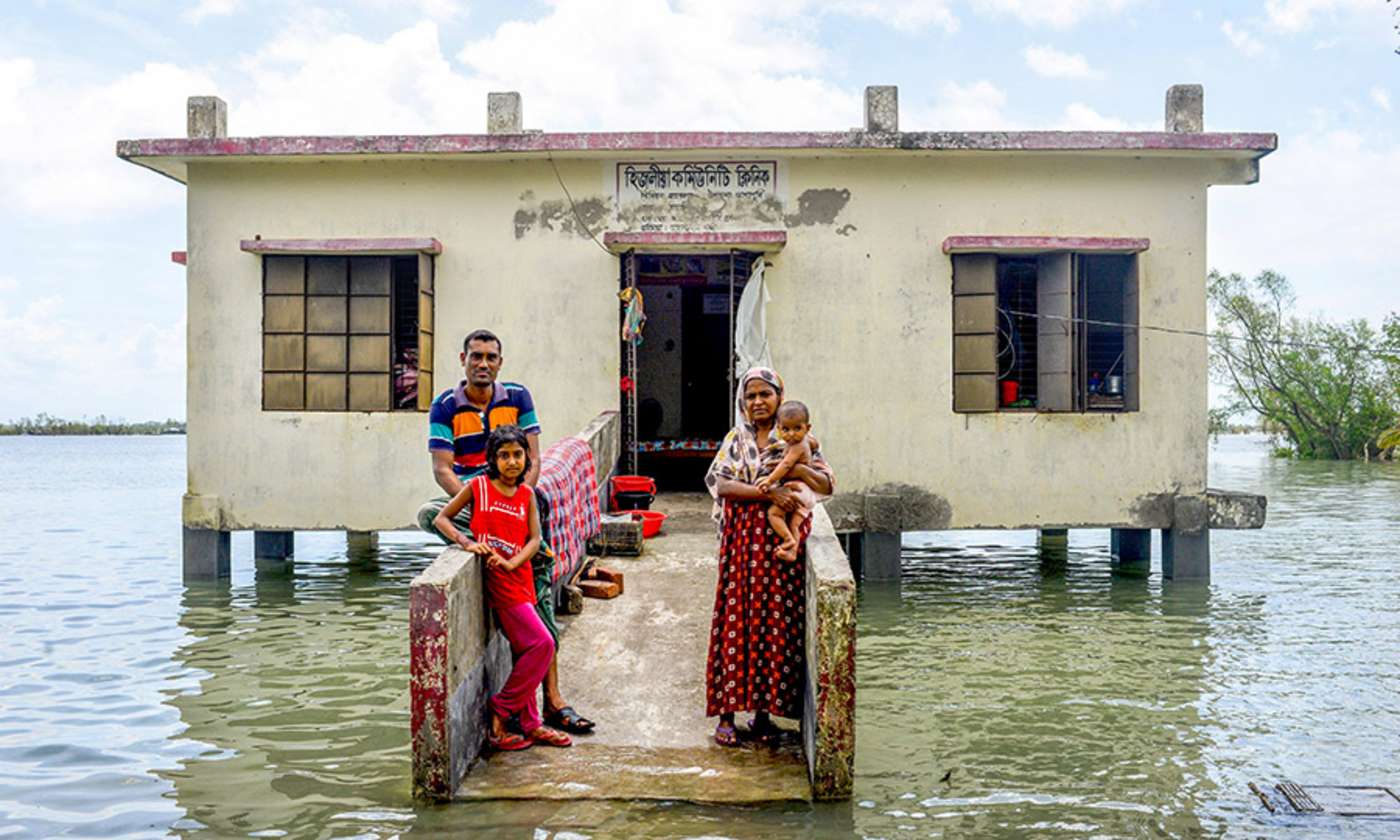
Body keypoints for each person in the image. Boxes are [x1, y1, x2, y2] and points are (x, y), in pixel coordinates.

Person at [415, 329, 595, 734]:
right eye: (476, 356)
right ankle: (527, 712)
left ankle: (553, 700)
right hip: (476, 501)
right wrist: (483, 503)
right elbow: (443, 468)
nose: (483, 364)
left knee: (540, 607)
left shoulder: (517, 397)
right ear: (463, 358)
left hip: (521, 502)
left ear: (500, 361)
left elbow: (533, 458)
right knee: (429, 513)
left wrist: (517, 500)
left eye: (491, 357)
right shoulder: (445, 405)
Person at [703, 368, 835, 747]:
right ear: (743, 403)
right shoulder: (737, 438)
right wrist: (770, 495)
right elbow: (722, 484)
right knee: (735, 622)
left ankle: (761, 715)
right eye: (751, 396)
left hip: (779, 548)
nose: (758, 402)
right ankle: (726, 716)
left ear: (780, 397)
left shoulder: (797, 436)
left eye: (765, 394)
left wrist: (797, 467)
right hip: (742, 544)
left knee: (772, 628)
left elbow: (827, 483)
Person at [432, 426, 571, 750]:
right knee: (543, 644)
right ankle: (502, 708)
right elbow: (442, 518)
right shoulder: (479, 487)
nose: (511, 462)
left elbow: (535, 539)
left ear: (526, 458)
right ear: (493, 459)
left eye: (518, 454)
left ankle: (530, 724)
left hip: (522, 579)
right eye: (504, 455)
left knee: (528, 651)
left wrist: (513, 562)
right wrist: (466, 542)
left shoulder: (527, 496)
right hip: (501, 586)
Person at [755, 400, 819, 562]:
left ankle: (788, 539)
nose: (791, 434)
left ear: (807, 428)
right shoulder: (798, 442)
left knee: (774, 514)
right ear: (779, 429)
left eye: (797, 428)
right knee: (794, 525)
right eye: (786, 429)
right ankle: (792, 550)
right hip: (805, 493)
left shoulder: (797, 445)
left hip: (799, 490)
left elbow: (786, 464)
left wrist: (769, 481)